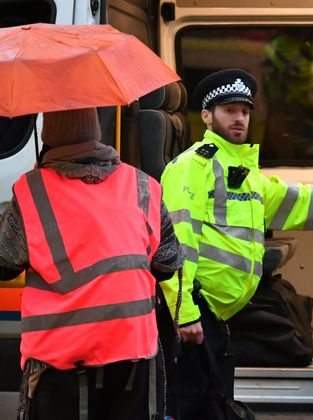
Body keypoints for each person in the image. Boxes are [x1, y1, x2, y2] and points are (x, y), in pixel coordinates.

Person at [158, 68, 313, 419]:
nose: (240, 118)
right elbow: (177, 244)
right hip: (196, 313)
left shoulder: (248, 174)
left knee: (214, 404)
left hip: (220, 315)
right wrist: (186, 313)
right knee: (190, 408)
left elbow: (308, 203)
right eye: (229, 110)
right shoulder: (192, 167)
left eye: (245, 110)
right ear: (207, 116)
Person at [0, 107, 183, 420]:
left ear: (48, 136)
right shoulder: (142, 185)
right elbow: (167, 263)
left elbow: (6, 262)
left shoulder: (32, 189)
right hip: (132, 352)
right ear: (96, 132)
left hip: (61, 360)